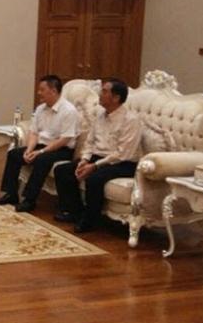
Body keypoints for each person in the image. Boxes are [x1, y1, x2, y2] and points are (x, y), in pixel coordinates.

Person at [53, 78, 142, 233]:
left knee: (94, 179)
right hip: (98, 158)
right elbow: (90, 141)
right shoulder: (101, 115)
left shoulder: (131, 120)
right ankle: (75, 211)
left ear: (116, 98)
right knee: (63, 170)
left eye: (105, 91)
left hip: (122, 163)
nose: (100, 94)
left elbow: (122, 153)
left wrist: (94, 166)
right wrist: (85, 159)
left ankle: (90, 220)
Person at [0, 75, 80, 213]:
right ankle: (11, 194)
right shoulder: (41, 109)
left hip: (61, 149)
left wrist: (40, 152)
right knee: (14, 154)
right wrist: (29, 150)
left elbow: (64, 139)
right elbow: (34, 132)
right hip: (42, 146)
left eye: (42, 89)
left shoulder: (69, 111)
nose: (38, 92)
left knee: (41, 160)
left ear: (53, 91)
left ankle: (29, 199)